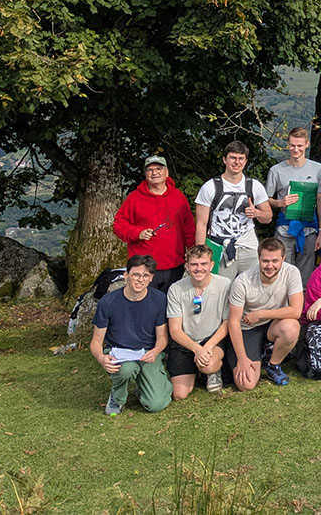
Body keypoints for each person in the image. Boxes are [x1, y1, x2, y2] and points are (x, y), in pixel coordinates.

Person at [90, 254, 171, 415]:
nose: (140, 279)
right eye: (136, 274)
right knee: (127, 369)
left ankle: (146, 386)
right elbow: (96, 341)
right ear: (126, 275)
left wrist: (155, 351)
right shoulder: (108, 302)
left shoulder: (159, 299)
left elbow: (162, 337)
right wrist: (101, 358)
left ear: (151, 278)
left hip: (146, 352)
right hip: (118, 352)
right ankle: (117, 397)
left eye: (145, 276)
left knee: (156, 404)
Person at [226, 238, 303, 389]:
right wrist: (242, 359)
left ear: (283, 258)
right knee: (246, 384)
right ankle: (258, 353)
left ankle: (273, 364)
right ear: (258, 258)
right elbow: (233, 322)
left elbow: (296, 310)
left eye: (275, 260)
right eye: (265, 261)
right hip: (247, 328)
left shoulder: (292, 272)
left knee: (291, 327)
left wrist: (260, 314)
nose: (270, 266)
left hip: (271, 323)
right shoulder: (242, 282)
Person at [113, 155, 195, 294]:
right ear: (146, 174)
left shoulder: (178, 197)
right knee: (143, 305)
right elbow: (118, 225)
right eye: (150, 170)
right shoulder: (134, 198)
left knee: (171, 306)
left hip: (174, 264)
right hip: (143, 267)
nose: (154, 172)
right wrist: (138, 233)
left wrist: (192, 251)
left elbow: (189, 227)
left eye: (159, 168)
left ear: (166, 172)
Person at [194, 140, 273, 282]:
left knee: (253, 286)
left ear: (246, 161)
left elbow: (268, 217)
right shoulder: (210, 187)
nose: (237, 162)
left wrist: (257, 213)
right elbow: (201, 223)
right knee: (220, 289)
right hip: (220, 245)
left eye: (241, 158)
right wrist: (200, 254)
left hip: (247, 245)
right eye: (233, 158)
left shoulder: (254, 186)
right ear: (225, 159)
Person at [166, 244, 231, 399]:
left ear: (212, 265)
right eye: (194, 264)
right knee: (179, 394)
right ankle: (196, 370)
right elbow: (174, 330)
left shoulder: (225, 284)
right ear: (187, 266)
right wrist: (196, 349)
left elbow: (227, 322)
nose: (199, 269)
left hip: (213, 340)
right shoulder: (176, 289)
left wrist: (207, 347)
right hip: (186, 342)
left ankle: (213, 371)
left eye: (203, 264)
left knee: (207, 366)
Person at [265, 128, 321, 285]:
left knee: (305, 276)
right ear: (288, 145)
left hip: (309, 227)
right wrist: (281, 202)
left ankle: (301, 308)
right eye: (292, 145)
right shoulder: (276, 170)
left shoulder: (318, 169)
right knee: (282, 273)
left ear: (307, 144)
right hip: (285, 227)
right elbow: (266, 200)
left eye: (299, 146)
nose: (296, 149)